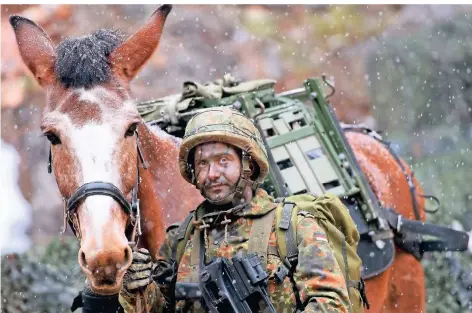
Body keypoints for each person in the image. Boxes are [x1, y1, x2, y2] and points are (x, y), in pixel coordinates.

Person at [119, 107, 351, 313]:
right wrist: (137, 288)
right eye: (202, 164)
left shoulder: (293, 226)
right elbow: (159, 309)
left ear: (249, 164)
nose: (211, 174)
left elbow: (331, 303)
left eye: (223, 160)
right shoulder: (180, 239)